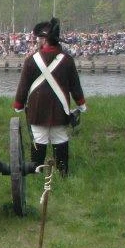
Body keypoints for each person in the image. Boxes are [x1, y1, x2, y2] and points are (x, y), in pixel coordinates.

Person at [13, 17, 87, 176]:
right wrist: (81, 104)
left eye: (39, 38)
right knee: (60, 139)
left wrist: (19, 104)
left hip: (37, 109)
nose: (37, 41)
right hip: (60, 109)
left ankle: (37, 172)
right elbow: (75, 86)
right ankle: (62, 173)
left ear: (44, 39)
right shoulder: (67, 60)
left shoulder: (31, 60)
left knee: (39, 139)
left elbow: (23, 86)